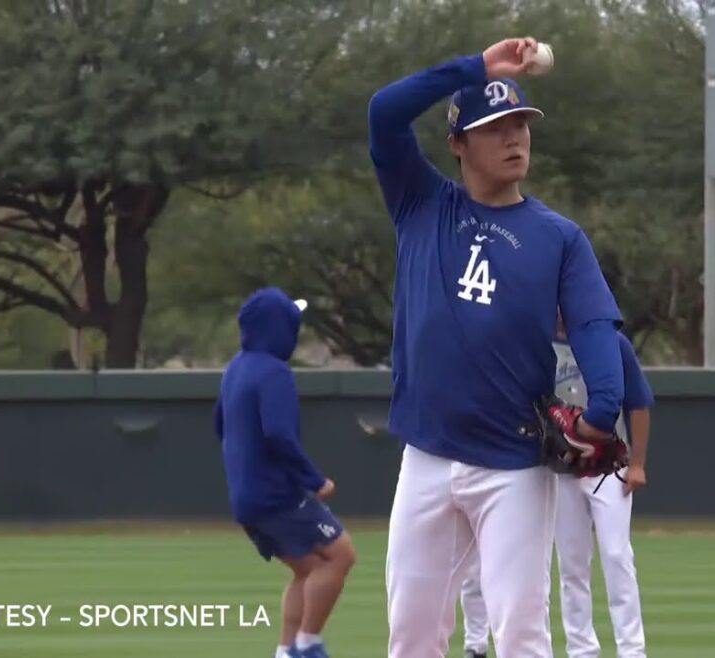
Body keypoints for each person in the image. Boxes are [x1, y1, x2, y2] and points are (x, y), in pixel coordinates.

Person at [368, 37, 626, 658]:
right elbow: (384, 111)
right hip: (426, 453)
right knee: (411, 634)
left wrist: (604, 406)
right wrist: (477, 68)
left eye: (520, 125)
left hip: (511, 463)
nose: (514, 138)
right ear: (457, 144)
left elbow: (593, 325)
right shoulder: (420, 203)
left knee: (520, 633)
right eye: (494, 127)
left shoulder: (558, 237)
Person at [459, 313, 653, 658]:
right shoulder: (536, 344)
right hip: (561, 469)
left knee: (616, 555)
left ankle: (632, 650)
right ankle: (582, 650)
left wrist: (637, 463)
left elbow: (638, 402)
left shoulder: (611, 342)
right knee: (572, 564)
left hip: (608, 468)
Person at [214, 287, 357, 658]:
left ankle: (285, 650)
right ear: (280, 327)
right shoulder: (274, 372)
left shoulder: (236, 367)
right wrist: (314, 479)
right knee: (341, 556)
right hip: (276, 494)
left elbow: (220, 425)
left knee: (308, 569)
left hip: (246, 497)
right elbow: (278, 433)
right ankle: (307, 645)